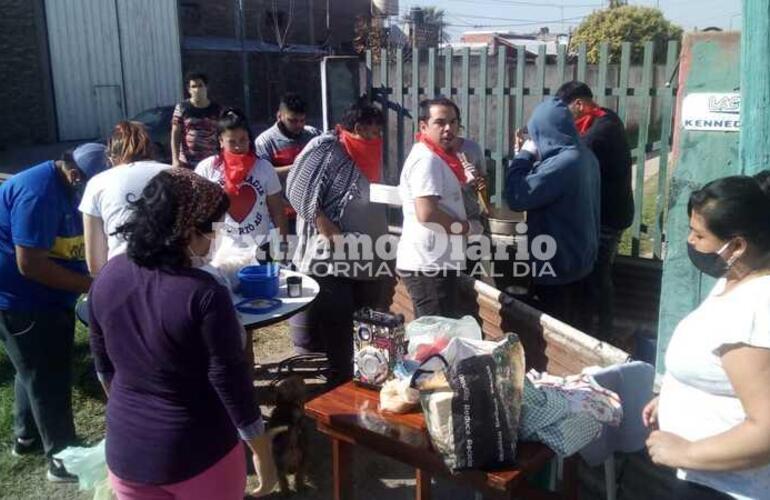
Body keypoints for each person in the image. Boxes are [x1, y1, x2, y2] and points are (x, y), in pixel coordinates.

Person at [88, 168, 279, 499]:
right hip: (198, 453)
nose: (217, 238)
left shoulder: (107, 276)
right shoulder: (203, 293)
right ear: (189, 232)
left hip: (126, 453)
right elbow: (229, 380)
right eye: (216, 229)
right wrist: (261, 452)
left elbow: (104, 368)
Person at [644, 175, 770, 500]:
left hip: (726, 489)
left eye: (700, 234)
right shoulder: (740, 275)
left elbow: (767, 430)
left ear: (738, 245)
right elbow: (729, 372)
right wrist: (679, 392)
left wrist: (684, 452)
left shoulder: (754, 309)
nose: (691, 241)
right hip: (710, 479)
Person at [0, 143, 107, 482]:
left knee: (29, 368)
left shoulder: (65, 185)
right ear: (75, 174)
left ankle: (26, 437)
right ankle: (61, 459)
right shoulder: (38, 194)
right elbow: (29, 264)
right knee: (49, 378)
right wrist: (90, 286)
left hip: (48, 296)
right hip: (24, 300)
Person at [286, 98, 393, 386]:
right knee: (339, 329)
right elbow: (296, 190)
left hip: (368, 258)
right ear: (356, 127)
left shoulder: (371, 152)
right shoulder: (327, 148)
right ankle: (339, 388)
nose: (375, 137)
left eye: (378, 132)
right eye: (370, 131)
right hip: (331, 261)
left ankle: (364, 380)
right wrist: (325, 226)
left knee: (365, 328)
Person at [504, 97, 600, 328]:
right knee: (576, 325)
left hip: (559, 265)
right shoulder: (584, 154)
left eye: (536, 133)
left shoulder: (563, 164)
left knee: (557, 330)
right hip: (581, 258)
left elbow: (517, 197)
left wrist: (524, 156)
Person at [556, 81, 634, 341]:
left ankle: (601, 333)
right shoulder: (602, 118)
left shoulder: (604, 128)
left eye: (566, 111)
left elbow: (576, 155)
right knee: (596, 273)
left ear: (580, 104)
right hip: (603, 213)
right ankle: (594, 327)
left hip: (608, 217)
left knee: (597, 275)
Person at [396, 97, 473, 319]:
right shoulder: (427, 160)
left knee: (436, 335)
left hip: (436, 261)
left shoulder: (439, 157)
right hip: (429, 265)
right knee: (436, 338)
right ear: (423, 126)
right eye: (440, 122)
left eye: (453, 122)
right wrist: (466, 228)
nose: (448, 128)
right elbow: (427, 213)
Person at [195, 108, 288, 259]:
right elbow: (198, 214)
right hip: (219, 252)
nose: (238, 146)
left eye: (243, 140)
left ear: (250, 139)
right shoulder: (206, 168)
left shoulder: (264, 168)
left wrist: (283, 250)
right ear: (220, 141)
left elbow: (278, 212)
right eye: (232, 142)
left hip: (260, 249)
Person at [80, 121, 169, 275]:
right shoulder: (179, 174)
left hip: (121, 276)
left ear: (112, 156)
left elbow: (95, 263)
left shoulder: (98, 183)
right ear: (151, 150)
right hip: (173, 274)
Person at [254, 92, 321, 234]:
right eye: (293, 121)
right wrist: (298, 167)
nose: (299, 125)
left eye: (302, 120)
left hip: (313, 212)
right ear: (279, 116)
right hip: (281, 215)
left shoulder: (313, 134)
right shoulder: (266, 141)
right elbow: (262, 175)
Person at [171, 71, 221, 169]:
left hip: (210, 163)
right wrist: (175, 160)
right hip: (186, 163)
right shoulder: (182, 108)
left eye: (200, 85)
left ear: (206, 87)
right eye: (194, 86)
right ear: (189, 89)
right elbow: (175, 134)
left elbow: (223, 135)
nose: (197, 89)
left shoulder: (217, 109)